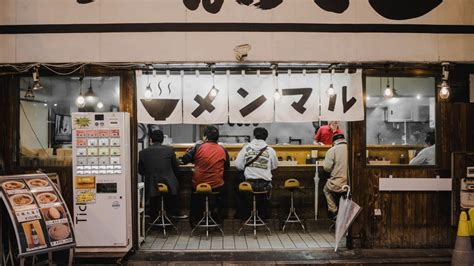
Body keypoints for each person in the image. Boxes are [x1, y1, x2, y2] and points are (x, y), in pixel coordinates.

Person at [182, 126, 230, 225]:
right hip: (216, 186)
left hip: (198, 185)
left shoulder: (198, 147)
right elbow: (227, 167)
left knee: (195, 194)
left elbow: (184, 160)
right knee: (225, 189)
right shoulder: (223, 150)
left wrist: (189, 154)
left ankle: (194, 219)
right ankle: (219, 218)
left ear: (205, 137)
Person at [139, 130, 184, 221]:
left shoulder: (142, 152)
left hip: (151, 186)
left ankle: (153, 218)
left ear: (150, 140)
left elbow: (141, 171)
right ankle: (173, 215)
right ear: (163, 140)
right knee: (178, 184)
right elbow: (176, 168)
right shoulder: (169, 150)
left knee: (154, 197)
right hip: (169, 185)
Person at [235, 127, 278, 219]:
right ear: (266, 137)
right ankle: (262, 217)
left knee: (238, 188)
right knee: (266, 195)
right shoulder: (270, 150)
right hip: (265, 186)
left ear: (254, 136)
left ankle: (246, 217)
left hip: (249, 185)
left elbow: (238, 166)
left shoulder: (246, 149)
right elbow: (275, 166)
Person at [322, 133, 348, 218]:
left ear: (334, 142)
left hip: (337, 184)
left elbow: (327, 168)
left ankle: (335, 211)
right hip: (351, 184)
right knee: (348, 194)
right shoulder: (351, 148)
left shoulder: (332, 150)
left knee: (326, 189)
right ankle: (346, 212)